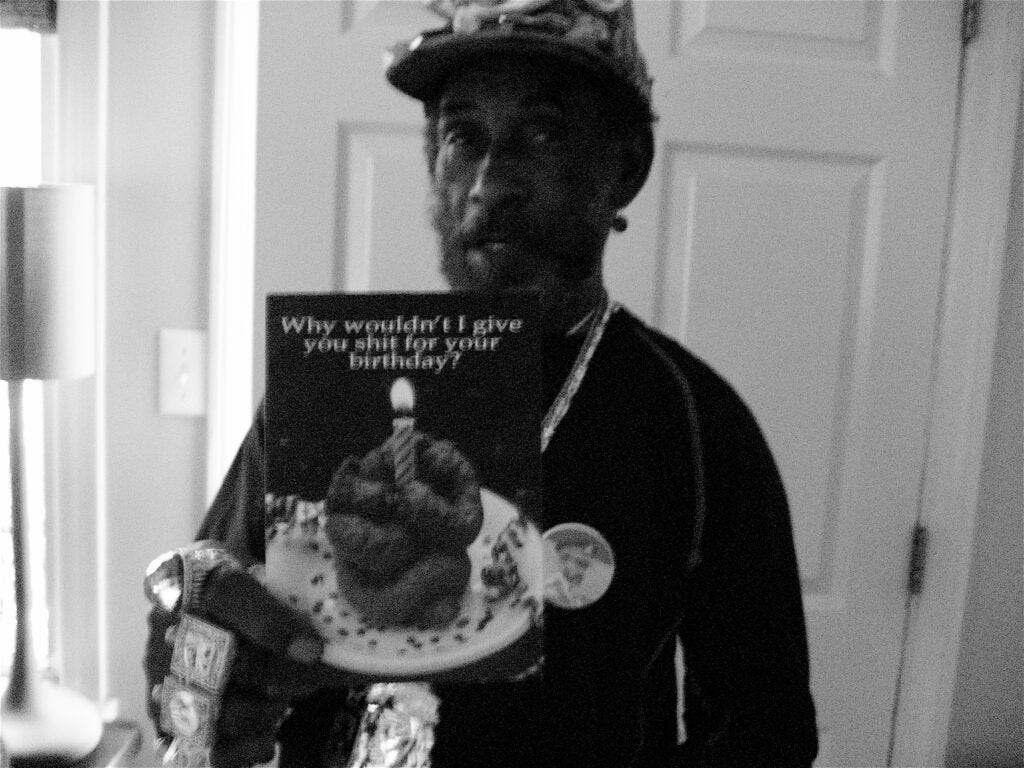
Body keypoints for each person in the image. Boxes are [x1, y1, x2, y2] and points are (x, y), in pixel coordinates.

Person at [143, 1, 818, 766]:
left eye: (544, 133)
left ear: (624, 168)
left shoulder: (696, 425)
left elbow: (766, 734)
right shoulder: (332, 392)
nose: (491, 183)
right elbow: (208, 634)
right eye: (463, 137)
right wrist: (201, 685)